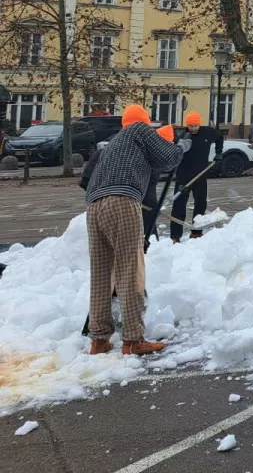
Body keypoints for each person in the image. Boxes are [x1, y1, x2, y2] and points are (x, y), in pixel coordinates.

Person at [84, 104, 185, 356]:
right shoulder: (139, 130)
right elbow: (167, 157)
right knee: (130, 269)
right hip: (122, 199)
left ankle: (99, 340)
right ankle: (132, 339)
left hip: (94, 205)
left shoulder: (114, 144)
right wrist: (179, 147)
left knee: (102, 273)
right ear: (144, 121)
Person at [171, 111, 223, 241]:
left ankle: (196, 232)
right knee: (179, 205)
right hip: (183, 175)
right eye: (190, 125)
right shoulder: (182, 135)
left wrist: (218, 152)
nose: (193, 128)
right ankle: (175, 236)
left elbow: (220, 137)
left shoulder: (208, 132)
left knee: (200, 203)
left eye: (195, 125)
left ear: (199, 124)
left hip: (200, 174)